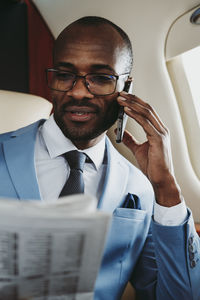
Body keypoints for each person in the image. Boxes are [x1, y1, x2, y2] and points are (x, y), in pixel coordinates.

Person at [0, 16, 199, 300]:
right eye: (65, 75)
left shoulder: (140, 189)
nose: (78, 91)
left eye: (101, 78)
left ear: (125, 88)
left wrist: (167, 189)